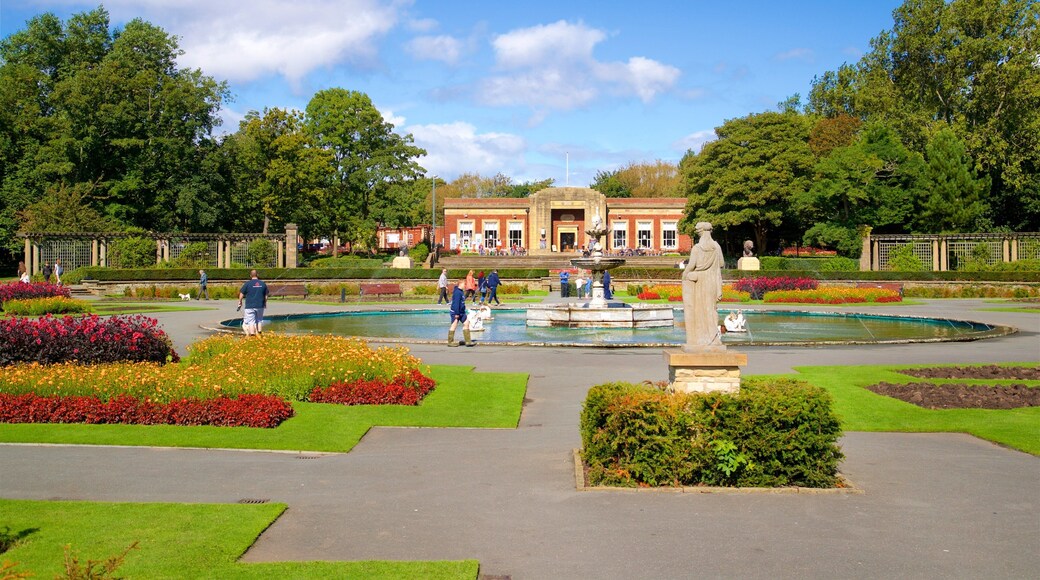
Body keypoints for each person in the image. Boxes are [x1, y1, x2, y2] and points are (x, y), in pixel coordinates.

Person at [682, 222, 725, 350]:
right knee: (711, 309)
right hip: (712, 281)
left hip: (700, 282)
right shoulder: (716, 247)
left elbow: (691, 265)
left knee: (700, 311)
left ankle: (701, 339)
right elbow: (721, 263)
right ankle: (713, 339)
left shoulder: (697, 248)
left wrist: (685, 274)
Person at [238, 269, 269, 336]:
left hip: (249, 305)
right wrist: (265, 303)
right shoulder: (263, 284)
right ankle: (260, 333)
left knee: (251, 321)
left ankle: (252, 335)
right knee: (259, 320)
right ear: (257, 275)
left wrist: (240, 301)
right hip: (260, 305)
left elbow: (241, 294)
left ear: (250, 276)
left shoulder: (247, 284)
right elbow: (266, 296)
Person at [448, 277, 474, 347]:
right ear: (460, 284)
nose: (465, 286)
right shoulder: (457, 292)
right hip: (456, 312)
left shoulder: (460, 292)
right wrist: (456, 313)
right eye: (464, 284)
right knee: (454, 325)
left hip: (462, 312)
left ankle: (468, 341)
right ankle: (450, 341)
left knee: (466, 323)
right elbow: (456, 303)